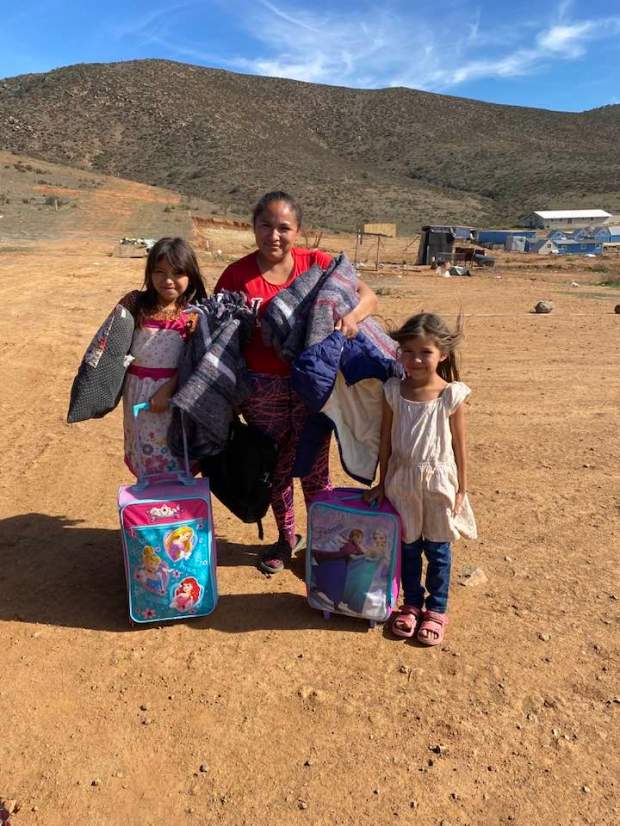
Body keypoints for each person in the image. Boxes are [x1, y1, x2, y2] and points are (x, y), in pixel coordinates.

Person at [215, 191, 378, 574]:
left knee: (315, 470)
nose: (274, 235)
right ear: (254, 227)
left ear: (298, 231)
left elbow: (368, 295)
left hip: (312, 386)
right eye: (265, 226)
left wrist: (352, 317)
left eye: (283, 228)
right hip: (260, 389)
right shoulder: (236, 276)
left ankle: (322, 543)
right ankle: (285, 539)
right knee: (274, 467)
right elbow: (219, 338)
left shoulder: (317, 264)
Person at [365, 312, 476, 645]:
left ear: (442, 354)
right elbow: (385, 442)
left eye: (425, 352)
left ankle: (436, 610)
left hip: (440, 483)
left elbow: (459, 446)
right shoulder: (393, 391)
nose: (415, 359)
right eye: (408, 351)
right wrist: (382, 482)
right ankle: (411, 605)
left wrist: (462, 488)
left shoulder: (451, 395)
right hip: (402, 482)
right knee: (408, 548)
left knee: (439, 550)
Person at [120, 237, 207, 477]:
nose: (167, 280)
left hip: (178, 397)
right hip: (139, 397)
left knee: (177, 461)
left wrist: (169, 389)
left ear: (190, 275)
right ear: (149, 273)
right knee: (145, 459)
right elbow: (113, 345)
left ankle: (176, 502)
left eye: (177, 272)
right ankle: (150, 501)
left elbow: (199, 362)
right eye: (159, 272)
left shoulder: (196, 313)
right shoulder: (135, 304)